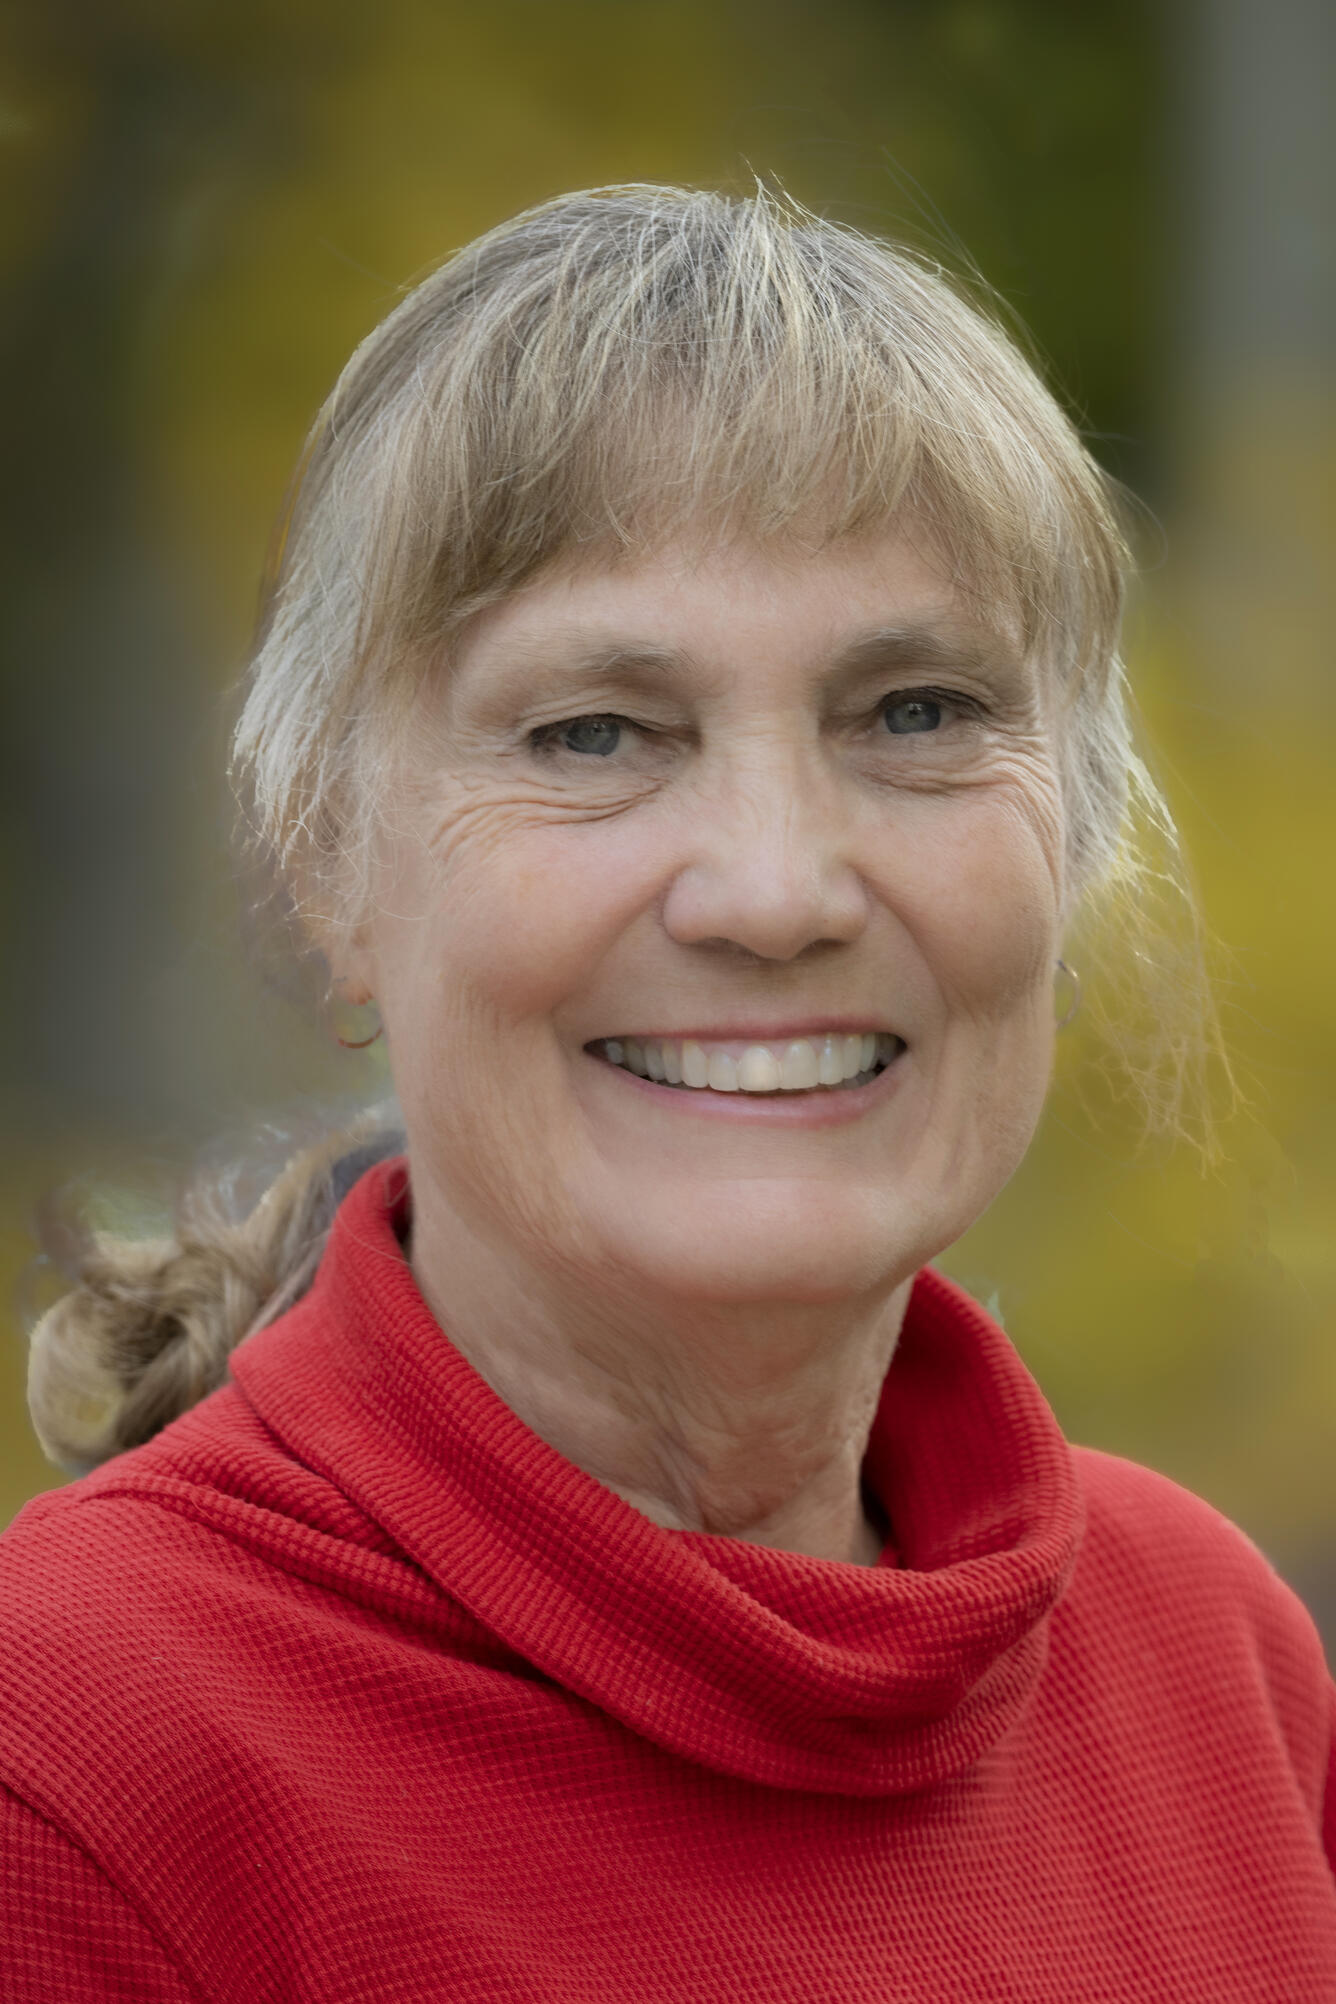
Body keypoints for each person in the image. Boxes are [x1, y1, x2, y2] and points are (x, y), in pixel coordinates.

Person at [1, 184, 1332, 2002]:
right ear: (330, 867)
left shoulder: (1219, 1668)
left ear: (1079, 836)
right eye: (595, 734)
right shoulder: (71, 1768)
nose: (777, 889)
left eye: (919, 713)